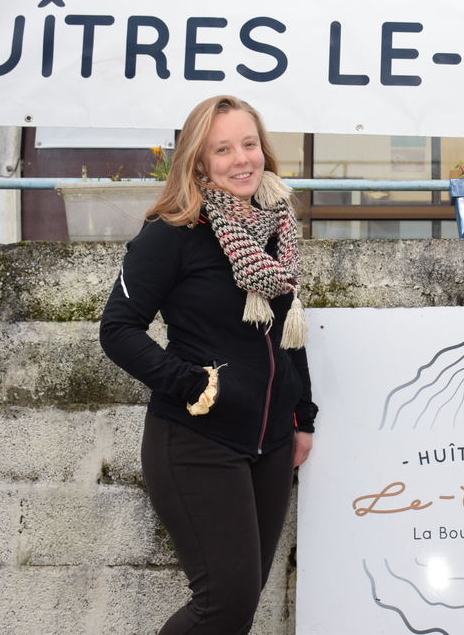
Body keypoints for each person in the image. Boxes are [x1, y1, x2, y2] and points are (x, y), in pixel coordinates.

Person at [100, 95, 317, 635]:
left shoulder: (276, 231)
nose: (242, 159)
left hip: (269, 444)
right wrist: (194, 384)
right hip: (198, 442)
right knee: (222, 603)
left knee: (239, 609)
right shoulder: (171, 232)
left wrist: (302, 416)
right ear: (199, 161)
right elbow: (118, 330)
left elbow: (288, 332)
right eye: (223, 149)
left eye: (249, 144)